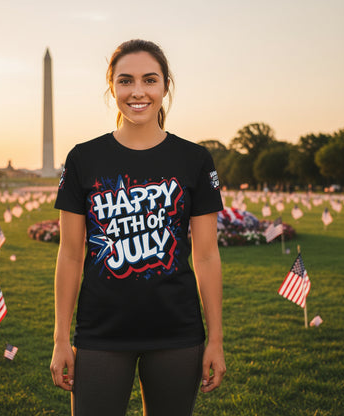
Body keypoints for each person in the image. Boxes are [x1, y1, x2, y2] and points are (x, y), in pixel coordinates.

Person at [50, 39, 226, 416]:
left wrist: (217, 339)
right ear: (111, 87)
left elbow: (208, 255)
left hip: (177, 332)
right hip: (100, 331)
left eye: (150, 80)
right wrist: (60, 338)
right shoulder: (83, 158)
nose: (138, 92)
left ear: (165, 85)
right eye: (125, 81)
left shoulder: (194, 159)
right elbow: (69, 253)